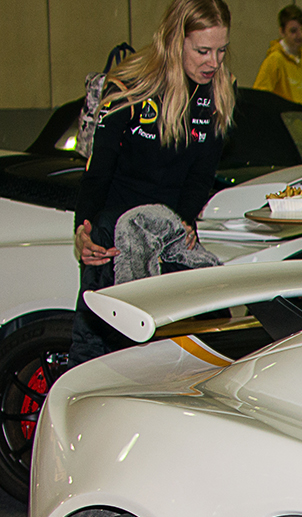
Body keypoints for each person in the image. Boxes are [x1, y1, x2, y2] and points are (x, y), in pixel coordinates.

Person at [72, 0, 235, 363]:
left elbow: (200, 177)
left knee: (177, 356)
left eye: (222, 50)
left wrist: (186, 221)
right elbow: (98, 169)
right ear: (176, 41)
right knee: (97, 352)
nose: (214, 62)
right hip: (114, 233)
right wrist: (82, 230)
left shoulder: (218, 93)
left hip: (169, 233)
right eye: (203, 51)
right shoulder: (129, 86)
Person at [252, 5, 302, 115]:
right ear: (282, 31)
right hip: (285, 121)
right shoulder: (275, 59)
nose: (300, 35)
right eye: (293, 31)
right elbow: (260, 96)